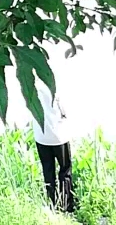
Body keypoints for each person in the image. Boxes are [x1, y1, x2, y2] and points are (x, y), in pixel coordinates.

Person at [32, 77, 75, 213]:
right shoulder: (54, 85)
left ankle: (52, 203)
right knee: (65, 169)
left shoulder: (30, 87)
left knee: (48, 170)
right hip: (58, 136)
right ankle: (66, 205)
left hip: (41, 135)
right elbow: (64, 109)